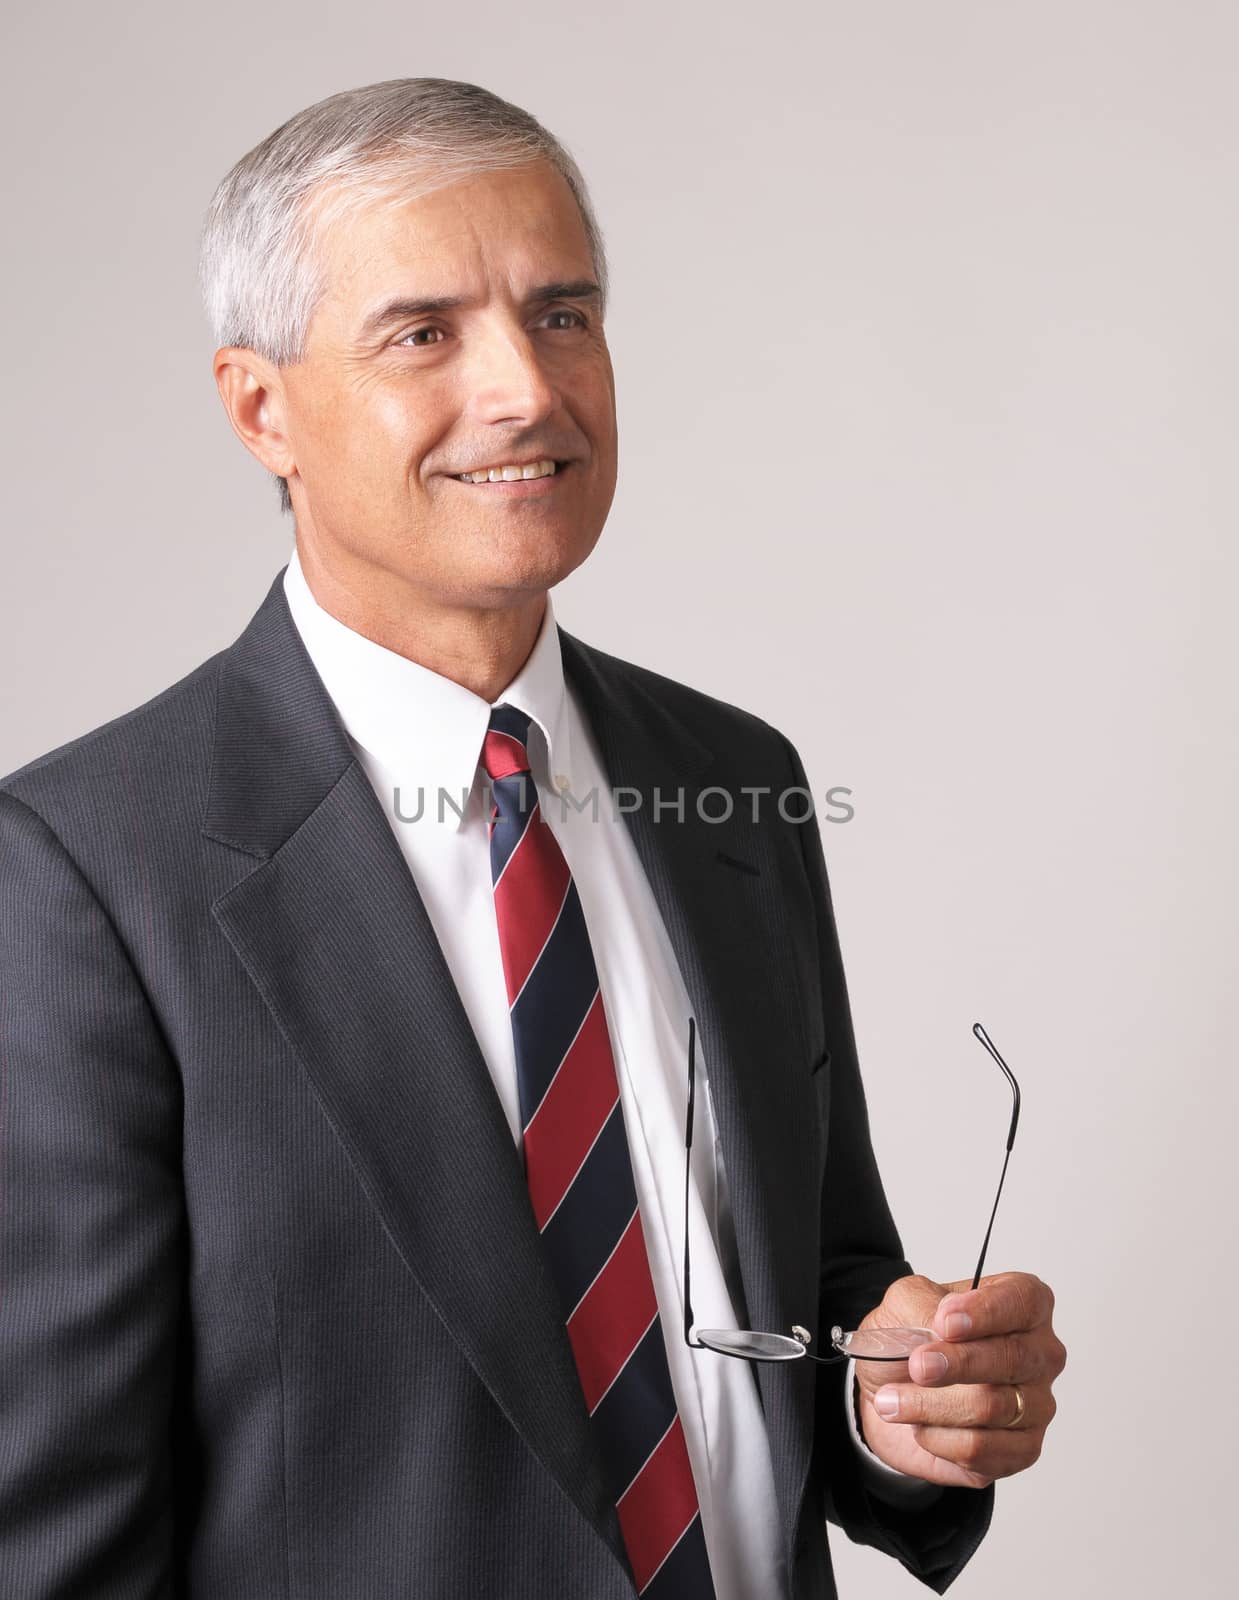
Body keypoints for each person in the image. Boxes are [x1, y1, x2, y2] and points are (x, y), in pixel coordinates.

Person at [0, 78, 1065, 1599]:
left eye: (563, 314)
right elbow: (56, 1533)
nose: (527, 389)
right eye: (424, 331)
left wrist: (896, 1400)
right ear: (261, 409)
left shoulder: (736, 781)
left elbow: (812, 1293)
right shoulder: (79, 873)